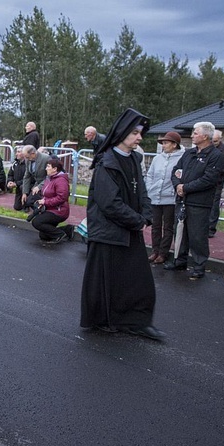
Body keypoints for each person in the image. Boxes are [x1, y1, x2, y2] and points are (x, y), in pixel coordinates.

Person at [81, 108, 165, 341]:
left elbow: (142, 191)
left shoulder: (134, 159)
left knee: (137, 280)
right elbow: (109, 203)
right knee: (107, 281)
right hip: (109, 231)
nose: (139, 138)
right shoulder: (106, 162)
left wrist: (146, 214)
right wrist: (137, 221)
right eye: (135, 133)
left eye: (141, 133)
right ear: (122, 133)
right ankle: (104, 320)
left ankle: (136, 321)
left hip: (128, 229)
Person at [164, 121, 222, 279]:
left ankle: (199, 265)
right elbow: (176, 170)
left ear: (205, 136)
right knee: (180, 232)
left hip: (200, 203)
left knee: (198, 236)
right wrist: (178, 186)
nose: (192, 136)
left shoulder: (215, 156)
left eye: (195, 133)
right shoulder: (188, 153)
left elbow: (209, 179)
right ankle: (179, 260)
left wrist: (186, 187)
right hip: (182, 200)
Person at [144, 131, 185, 265]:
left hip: (170, 198)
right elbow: (150, 175)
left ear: (174, 144)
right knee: (155, 225)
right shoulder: (157, 158)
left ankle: (163, 253)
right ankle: (155, 250)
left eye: (166, 143)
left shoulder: (182, 158)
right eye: (163, 143)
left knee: (168, 226)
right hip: (155, 196)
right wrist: (150, 188)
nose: (163, 145)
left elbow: (181, 176)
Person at [31, 158, 73, 243]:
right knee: (44, 236)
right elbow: (47, 194)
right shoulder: (49, 179)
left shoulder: (61, 180)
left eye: (48, 166)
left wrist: (45, 202)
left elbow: (62, 198)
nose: (46, 168)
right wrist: (42, 200)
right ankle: (67, 229)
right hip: (50, 209)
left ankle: (60, 234)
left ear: (55, 169)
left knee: (36, 222)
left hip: (59, 211)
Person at [209, 130, 224, 237]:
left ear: (220, 139)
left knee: (214, 206)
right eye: (212, 140)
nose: (213, 143)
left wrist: (214, 171)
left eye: (215, 141)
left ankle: (210, 229)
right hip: (204, 182)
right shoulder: (207, 148)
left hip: (217, 182)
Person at [20, 145, 50, 211]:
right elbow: (27, 176)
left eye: (27, 157)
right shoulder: (28, 160)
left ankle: (43, 210)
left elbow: (50, 177)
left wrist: (39, 187)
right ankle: (39, 210)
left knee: (30, 201)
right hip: (37, 183)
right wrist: (25, 193)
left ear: (33, 153)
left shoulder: (46, 159)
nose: (26, 159)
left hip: (46, 185)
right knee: (25, 201)